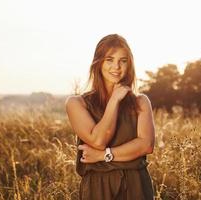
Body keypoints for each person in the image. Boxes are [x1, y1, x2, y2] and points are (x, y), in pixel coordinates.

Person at [65, 34, 155, 200]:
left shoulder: (141, 102)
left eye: (123, 60)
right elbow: (98, 140)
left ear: (129, 65)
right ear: (98, 63)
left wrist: (102, 155)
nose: (117, 66)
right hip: (98, 187)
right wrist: (114, 100)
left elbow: (146, 145)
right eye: (109, 59)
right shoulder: (77, 103)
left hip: (137, 185)